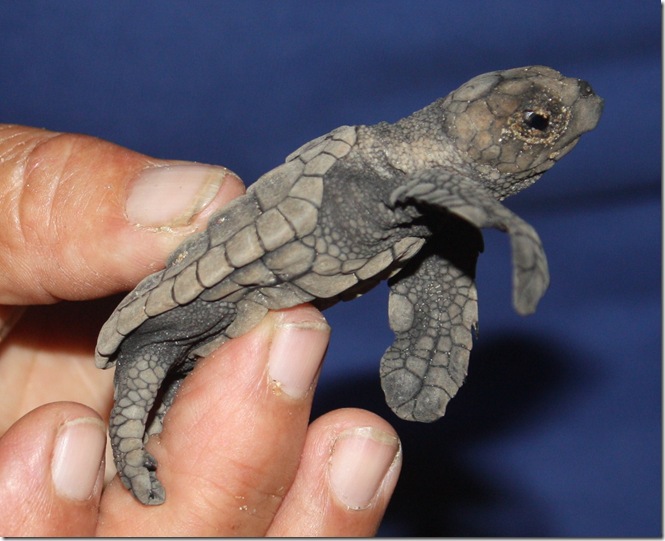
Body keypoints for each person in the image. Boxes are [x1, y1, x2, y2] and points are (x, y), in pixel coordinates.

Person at [0, 126, 401, 536]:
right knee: (149, 370)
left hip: (239, 303)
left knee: (186, 420)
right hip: (188, 301)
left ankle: (134, 442)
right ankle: (129, 442)